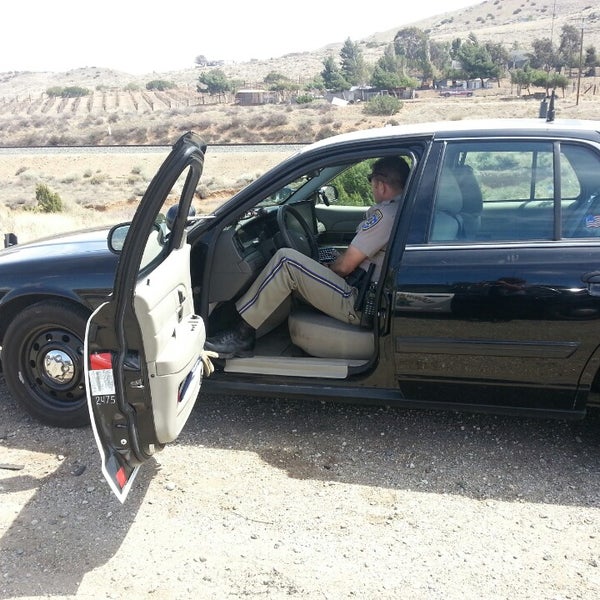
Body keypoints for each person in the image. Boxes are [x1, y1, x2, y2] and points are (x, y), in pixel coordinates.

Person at [206, 156, 410, 357]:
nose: (373, 189)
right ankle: (252, 329)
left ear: (381, 185)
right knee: (297, 270)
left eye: (372, 184)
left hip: (357, 302)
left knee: (286, 262)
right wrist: (326, 265)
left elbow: (344, 267)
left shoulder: (386, 215)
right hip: (365, 293)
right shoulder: (401, 209)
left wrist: (327, 268)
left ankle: (242, 335)